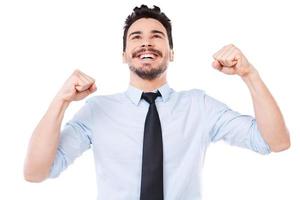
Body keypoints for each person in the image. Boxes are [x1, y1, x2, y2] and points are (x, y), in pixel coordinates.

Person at [24, 4, 290, 200]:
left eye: (156, 36)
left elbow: (275, 142)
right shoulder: (97, 111)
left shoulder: (199, 106)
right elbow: (35, 172)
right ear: (124, 54)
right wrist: (61, 100)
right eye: (136, 37)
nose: (146, 43)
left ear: (171, 53)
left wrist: (250, 74)